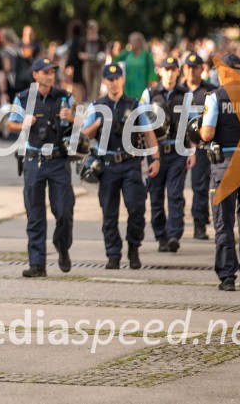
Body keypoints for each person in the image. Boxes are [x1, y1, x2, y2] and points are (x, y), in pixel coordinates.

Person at [82, 64, 161, 269]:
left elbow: (148, 132)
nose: (114, 82)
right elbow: (83, 136)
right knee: (109, 214)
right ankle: (113, 255)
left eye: (117, 78)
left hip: (131, 163)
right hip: (107, 166)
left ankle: (133, 248)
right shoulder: (96, 105)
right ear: (105, 81)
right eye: (110, 78)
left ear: (122, 80)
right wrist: (98, 124)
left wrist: (156, 159)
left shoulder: (134, 104)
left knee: (136, 208)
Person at [7, 58, 75, 276]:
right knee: (35, 214)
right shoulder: (23, 98)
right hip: (33, 160)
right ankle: (37, 264)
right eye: (45, 72)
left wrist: (73, 118)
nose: (49, 75)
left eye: (52, 72)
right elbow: (10, 124)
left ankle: (62, 245)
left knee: (64, 211)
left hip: (58, 160)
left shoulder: (64, 96)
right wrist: (23, 124)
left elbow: (80, 125)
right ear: (35, 75)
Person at [200, 53, 240, 291]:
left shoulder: (215, 97)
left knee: (223, 221)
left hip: (226, 164)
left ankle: (227, 276)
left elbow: (206, 134)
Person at [140, 57, 195, 253]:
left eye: (173, 70)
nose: (170, 73)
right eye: (167, 69)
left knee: (175, 194)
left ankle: (174, 234)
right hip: (155, 153)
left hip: (178, 151)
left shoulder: (185, 94)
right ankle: (161, 235)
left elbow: (193, 124)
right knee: (155, 195)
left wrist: (193, 150)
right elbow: (141, 124)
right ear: (160, 71)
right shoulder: (149, 94)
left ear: (178, 72)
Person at [181, 53, 216, 239]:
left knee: (200, 186)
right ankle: (175, 226)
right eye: (188, 66)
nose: (191, 70)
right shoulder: (178, 91)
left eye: (195, 67)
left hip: (201, 146)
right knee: (175, 189)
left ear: (202, 69)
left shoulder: (211, 91)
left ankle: (199, 224)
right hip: (179, 146)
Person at [115, 32, 158, 99]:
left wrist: (151, 84)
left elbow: (151, 71)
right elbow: (116, 59)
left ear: (139, 42)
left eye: (133, 41)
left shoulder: (147, 55)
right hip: (128, 86)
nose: (131, 44)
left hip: (142, 86)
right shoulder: (128, 54)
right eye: (130, 42)